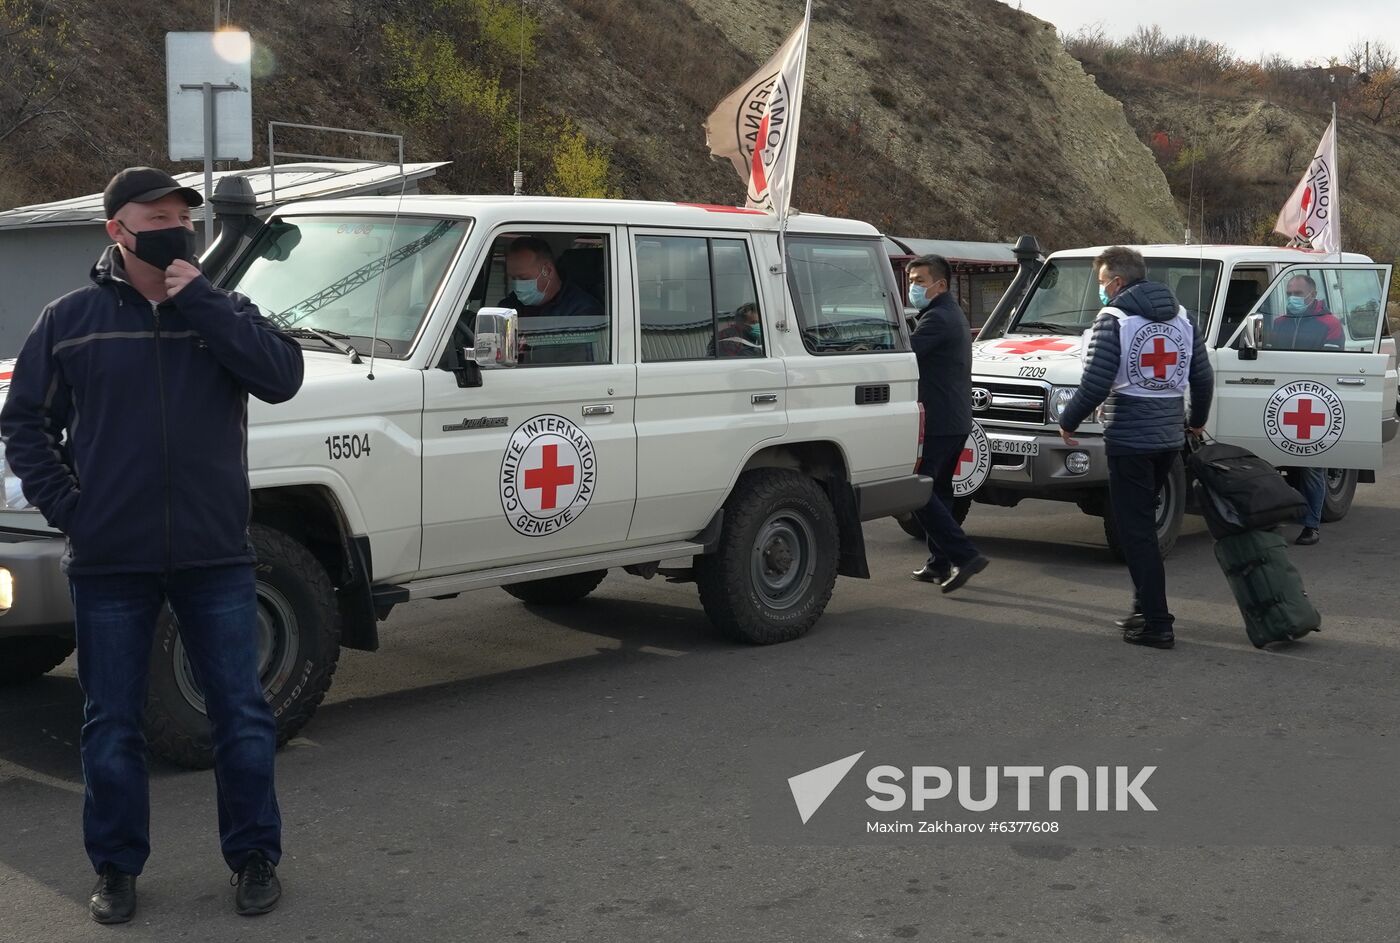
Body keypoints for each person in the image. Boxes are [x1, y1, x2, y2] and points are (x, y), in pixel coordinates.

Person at [0, 167, 305, 922]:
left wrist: (198, 297)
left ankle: (255, 856)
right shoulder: (69, 320)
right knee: (111, 723)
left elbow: (282, 376)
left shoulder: (225, 309)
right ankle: (116, 868)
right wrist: (74, 509)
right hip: (110, 562)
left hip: (215, 556)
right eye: (158, 213)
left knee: (241, 714)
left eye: (184, 215)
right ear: (117, 230)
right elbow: (24, 424)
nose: (176, 223)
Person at [1059, 247, 1213, 650]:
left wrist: (1067, 421)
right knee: (1143, 526)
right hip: (1168, 439)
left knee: (1137, 533)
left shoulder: (1114, 319)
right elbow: (1203, 376)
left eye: (1102, 283)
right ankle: (1143, 610)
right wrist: (1197, 420)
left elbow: (1095, 383)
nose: (1101, 291)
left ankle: (1157, 623)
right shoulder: (1183, 318)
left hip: (1129, 439)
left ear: (1118, 282)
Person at [907, 254, 989, 593]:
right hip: (954, 418)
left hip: (940, 420)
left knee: (918, 492)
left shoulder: (938, 318)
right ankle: (939, 563)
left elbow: (907, 353)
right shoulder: (947, 313)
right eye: (911, 280)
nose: (913, 287)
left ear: (940, 285)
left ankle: (964, 555)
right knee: (939, 490)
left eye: (920, 282)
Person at [1264, 274, 1337, 545]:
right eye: (1290, 292)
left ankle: (1311, 524)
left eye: (1298, 292)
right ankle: (1274, 518)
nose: (1293, 297)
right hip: (1281, 399)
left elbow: (1330, 363)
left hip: (1311, 401)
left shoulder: (1329, 324)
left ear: (1312, 293)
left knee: (1311, 466)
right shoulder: (1281, 323)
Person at [497, 236, 603, 319]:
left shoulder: (582, 310)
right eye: (513, 278)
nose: (517, 286)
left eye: (524, 278)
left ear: (547, 270)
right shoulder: (508, 307)